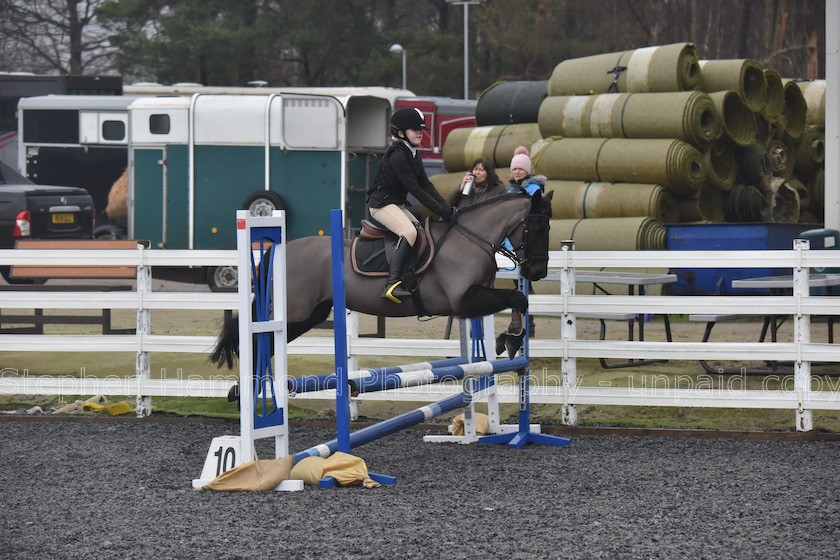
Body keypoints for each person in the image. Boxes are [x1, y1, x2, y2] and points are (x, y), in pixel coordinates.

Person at [366, 107, 454, 303]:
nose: (420, 133)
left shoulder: (413, 153)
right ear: (400, 133)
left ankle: (409, 275)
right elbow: (414, 188)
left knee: (421, 232)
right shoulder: (397, 155)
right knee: (410, 233)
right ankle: (391, 284)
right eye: (415, 130)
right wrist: (440, 211)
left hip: (396, 204)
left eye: (421, 129)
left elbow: (426, 184)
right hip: (381, 205)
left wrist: (446, 207)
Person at [497, 146, 547, 353]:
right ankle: (520, 322)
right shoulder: (510, 190)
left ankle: (527, 323)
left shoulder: (534, 190)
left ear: (527, 170)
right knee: (517, 283)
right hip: (509, 241)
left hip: (525, 242)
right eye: (515, 169)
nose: (517, 172)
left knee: (523, 283)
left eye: (521, 169)